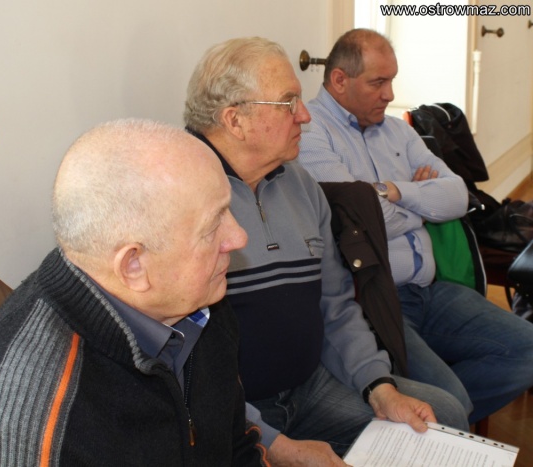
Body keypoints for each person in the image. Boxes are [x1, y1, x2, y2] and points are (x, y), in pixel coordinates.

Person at [184, 37, 468, 465]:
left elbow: (335, 306)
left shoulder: (301, 185)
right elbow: (182, 368)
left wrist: (378, 386)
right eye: (288, 102)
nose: (305, 115)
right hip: (233, 413)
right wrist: (280, 448)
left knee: (442, 418)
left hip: (311, 387)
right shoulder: (180, 195)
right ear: (235, 120)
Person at [0, 119, 269, 466]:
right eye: (213, 226)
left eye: (228, 209)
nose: (239, 237)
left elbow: (236, 446)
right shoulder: (28, 438)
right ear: (133, 266)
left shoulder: (198, 305)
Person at [298, 28, 533, 425]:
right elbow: (361, 222)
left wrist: (394, 192)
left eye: (391, 80)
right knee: (450, 403)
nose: (390, 94)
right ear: (339, 80)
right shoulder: (310, 133)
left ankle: (432, 422)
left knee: (527, 350)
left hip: (430, 289)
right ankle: (442, 418)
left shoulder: (397, 130)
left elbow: (457, 196)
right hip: (375, 300)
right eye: (378, 82)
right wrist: (421, 203)